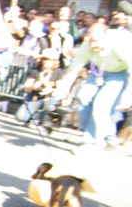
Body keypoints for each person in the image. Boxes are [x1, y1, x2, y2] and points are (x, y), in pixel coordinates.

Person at [55, 22, 132, 153]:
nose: (92, 45)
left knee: (101, 106)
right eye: (90, 40)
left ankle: (92, 143)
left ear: (105, 37)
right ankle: (107, 137)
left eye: (96, 41)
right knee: (83, 98)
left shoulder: (121, 44)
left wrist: (128, 94)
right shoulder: (87, 45)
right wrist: (62, 88)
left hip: (120, 73)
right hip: (99, 71)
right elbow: (74, 69)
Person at [14, 48, 67, 131]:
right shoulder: (36, 70)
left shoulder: (58, 72)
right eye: (44, 59)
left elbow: (61, 87)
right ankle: (30, 118)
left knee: (51, 106)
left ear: (54, 61)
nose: (46, 61)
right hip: (35, 97)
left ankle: (44, 122)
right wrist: (33, 86)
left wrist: (51, 89)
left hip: (50, 97)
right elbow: (26, 87)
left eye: (50, 60)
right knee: (20, 117)